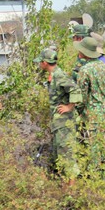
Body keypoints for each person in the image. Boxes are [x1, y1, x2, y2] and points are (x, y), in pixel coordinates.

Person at [34, 47, 81, 179]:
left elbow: (75, 90)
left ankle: (72, 187)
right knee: (58, 154)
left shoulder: (59, 75)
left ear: (45, 62)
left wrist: (69, 107)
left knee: (66, 154)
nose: (39, 64)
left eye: (40, 62)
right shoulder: (53, 76)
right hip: (58, 123)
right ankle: (64, 183)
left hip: (65, 123)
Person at [73, 37, 105, 166]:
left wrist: (79, 111)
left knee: (95, 150)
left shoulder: (85, 70)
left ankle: (97, 179)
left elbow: (82, 97)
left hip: (94, 115)